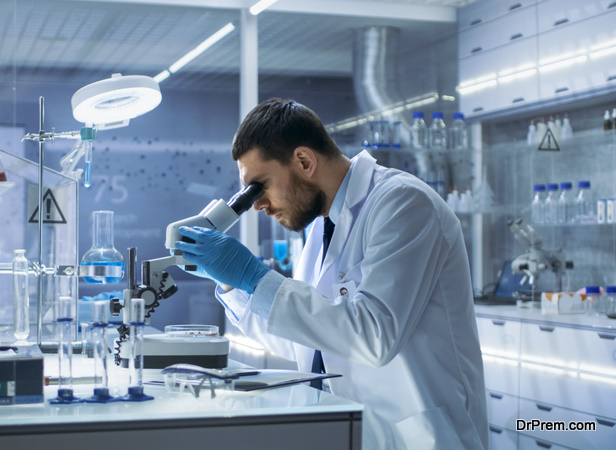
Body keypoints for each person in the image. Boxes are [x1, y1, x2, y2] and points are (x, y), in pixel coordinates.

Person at [175, 98, 487, 449]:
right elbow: (304, 337)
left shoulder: (403, 203)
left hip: (421, 438)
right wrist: (232, 282)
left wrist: (256, 276)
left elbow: (374, 337)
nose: (257, 205)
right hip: (353, 429)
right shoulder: (324, 226)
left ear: (304, 161)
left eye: (259, 187)